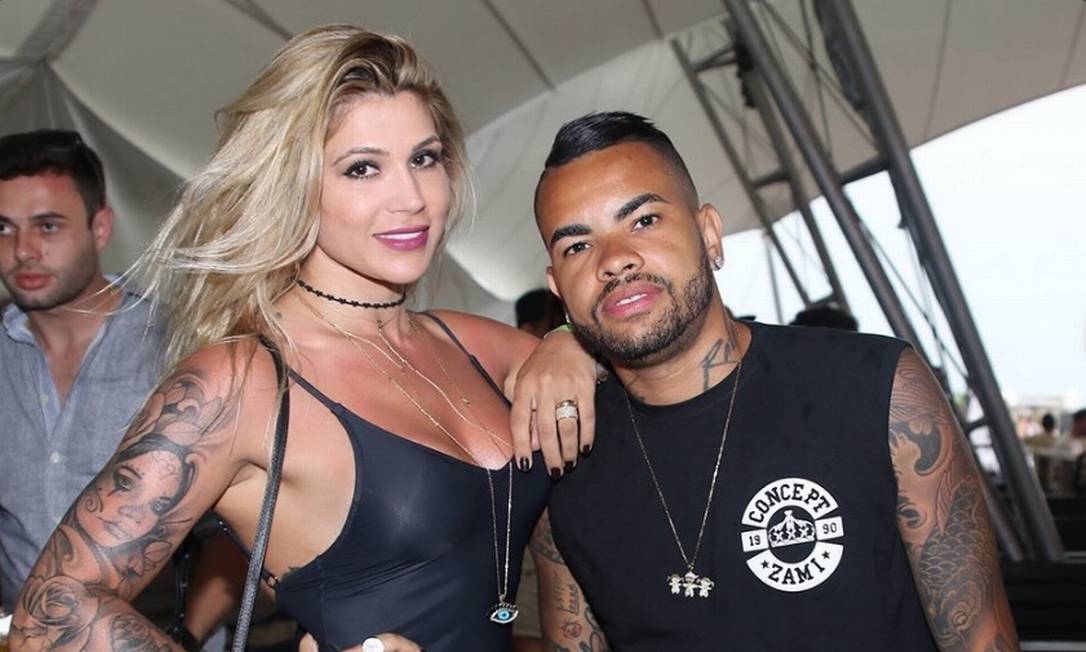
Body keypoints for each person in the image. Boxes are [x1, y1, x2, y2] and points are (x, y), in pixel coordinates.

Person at [11, 26, 597, 652]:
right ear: (292, 184)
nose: (411, 197)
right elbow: (51, 612)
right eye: (362, 168)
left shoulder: (478, 344)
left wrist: (573, 338)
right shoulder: (240, 383)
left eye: (424, 159)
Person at [526, 112, 1017, 650]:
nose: (615, 260)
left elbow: (980, 638)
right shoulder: (564, 460)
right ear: (558, 288)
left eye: (644, 220)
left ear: (709, 234)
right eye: (577, 246)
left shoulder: (875, 389)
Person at [0, 129, 162, 613]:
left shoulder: (174, 346)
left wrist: (189, 634)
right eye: (3, 228)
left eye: (48, 226)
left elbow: (239, 521)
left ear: (101, 227)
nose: (23, 250)